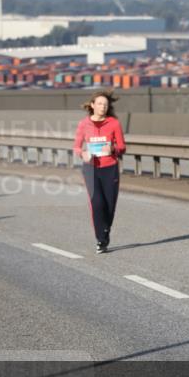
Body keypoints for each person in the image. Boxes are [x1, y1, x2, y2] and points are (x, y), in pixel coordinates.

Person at [73, 90, 126, 254]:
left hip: (110, 168)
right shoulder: (84, 124)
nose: (103, 107)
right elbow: (76, 146)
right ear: (92, 105)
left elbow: (122, 147)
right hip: (91, 168)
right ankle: (100, 240)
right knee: (97, 203)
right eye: (100, 104)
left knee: (109, 206)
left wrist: (112, 148)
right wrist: (83, 153)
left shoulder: (114, 123)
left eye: (105, 104)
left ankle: (105, 232)